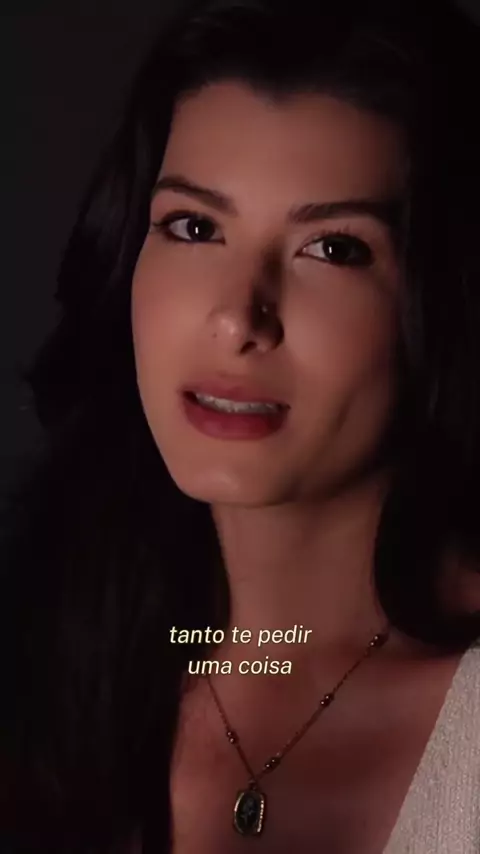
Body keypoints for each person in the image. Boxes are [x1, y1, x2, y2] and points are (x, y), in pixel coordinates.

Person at [1, 0, 480, 851]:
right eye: (195, 227)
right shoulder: (46, 654)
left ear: (444, 302)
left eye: (333, 248)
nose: (237, 319)